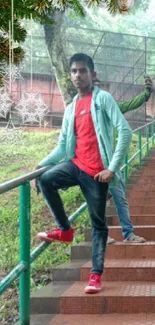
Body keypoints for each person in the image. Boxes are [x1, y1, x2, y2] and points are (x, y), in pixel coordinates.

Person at [34, 53, 132, 294]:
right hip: (75, 165)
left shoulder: (103, 99)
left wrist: (112, 169)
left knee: (98, 224)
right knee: (45, 179)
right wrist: (40, 165)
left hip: (97, 173)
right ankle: (65, 230)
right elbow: (62, 145)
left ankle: (96, 274)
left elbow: (125, 131)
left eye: (83, 71)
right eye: (75, 71)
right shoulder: (71, 108)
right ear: (70, 76)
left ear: (93, 74)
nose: (78, 75)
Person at [93, 76, 153, 244]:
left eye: (99, 86)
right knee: (99, 200)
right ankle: (101, 235)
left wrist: (147, 93)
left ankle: (128, 234)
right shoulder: (81, 110)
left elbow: (131, 104)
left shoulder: (109, 105)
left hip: (111, 164)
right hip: (92, 164)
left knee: (120, 198)